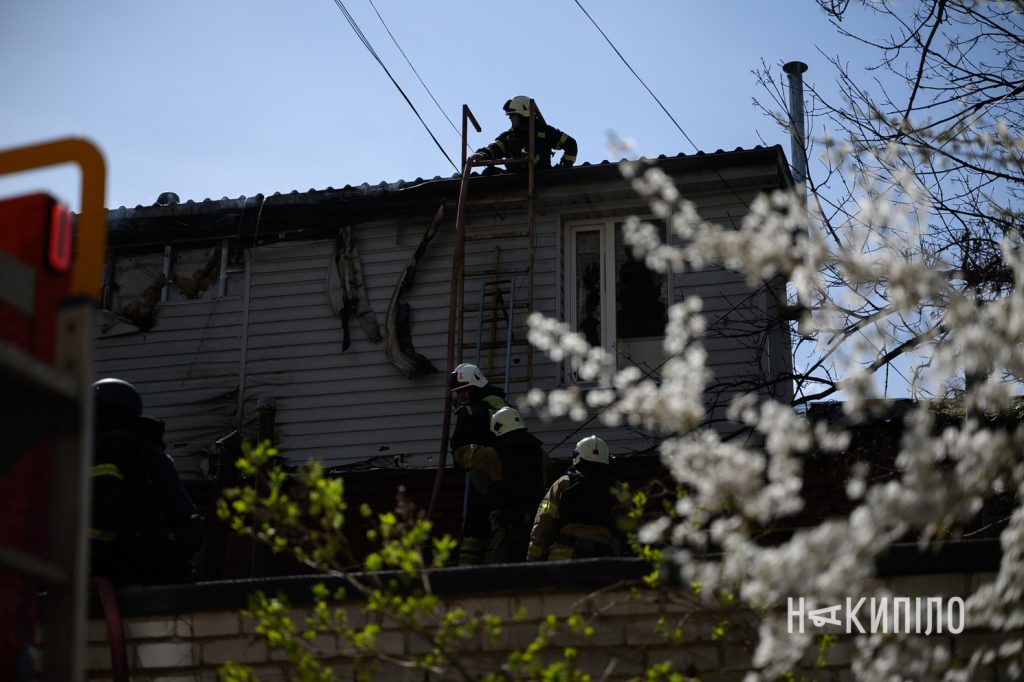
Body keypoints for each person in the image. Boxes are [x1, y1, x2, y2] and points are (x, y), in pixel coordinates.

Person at [91, 377, 199, 585]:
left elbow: (100, 517)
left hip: (125, 568)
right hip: (158, 566)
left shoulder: (107, 450)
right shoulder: (151, 450)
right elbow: (185, 514)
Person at [526, 434, 624, 561]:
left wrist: (532, 558)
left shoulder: (562, 483)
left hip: (564, 557)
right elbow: (630, 524)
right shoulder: (617, 487)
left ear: (577, 456)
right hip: (603, 558)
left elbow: (543, 521)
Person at [449, 363, 507, 565]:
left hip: (494, 475)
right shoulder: (485, 404)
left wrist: (471, 414)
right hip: (484, 472)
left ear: (474, 388)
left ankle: (468, 570)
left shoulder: (492, 405)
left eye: (462, 393)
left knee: (481, 522)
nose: (460, 398)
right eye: (458, 394)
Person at [486, 407, 547, 563]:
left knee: (501, 565)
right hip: (534, 520)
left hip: (505, 520)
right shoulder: (540, 452)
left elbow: (467, 458)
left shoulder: (493, 453)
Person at [467, 96, 577, 173]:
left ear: (523, 114)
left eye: (512, 115)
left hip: (542, 177)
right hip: (517, 179)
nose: (509, 117)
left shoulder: (545, 132)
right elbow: (496, 148)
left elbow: (571, 144)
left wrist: (564, 166)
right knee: (489, 172)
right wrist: (482, 154)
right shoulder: (509, 136)